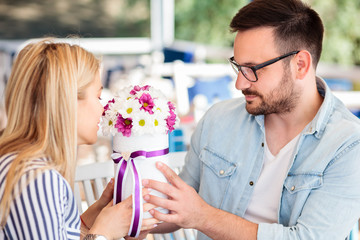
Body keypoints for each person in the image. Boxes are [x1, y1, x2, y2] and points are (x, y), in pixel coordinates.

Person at [139, 0, 360, 239]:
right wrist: (132, 221)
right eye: (238, 67)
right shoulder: (218, 120)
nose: (240, 83)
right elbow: (177, 207)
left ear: (300, 65)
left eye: (253, 69)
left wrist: (203, 216)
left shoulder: (348, 146)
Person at [0, 39, 158, 240]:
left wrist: (87, 223)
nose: (103, 110)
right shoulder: (37, 178)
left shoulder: (17, 162)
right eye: (98, 97)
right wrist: (103, 233)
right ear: (68, 101)